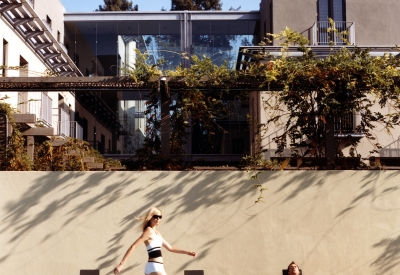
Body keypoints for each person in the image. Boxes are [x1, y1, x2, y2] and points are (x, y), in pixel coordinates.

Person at [113, 207, 196, 275]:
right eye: (155, 216)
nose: (158, 219)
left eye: (160, 217)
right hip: (154, 267)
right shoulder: (148, 231)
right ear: (150, 217)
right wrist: (121, 264)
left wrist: (187, 252)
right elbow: (133, 246)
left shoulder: (157, 233)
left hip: (156, 267)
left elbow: (170, 248)